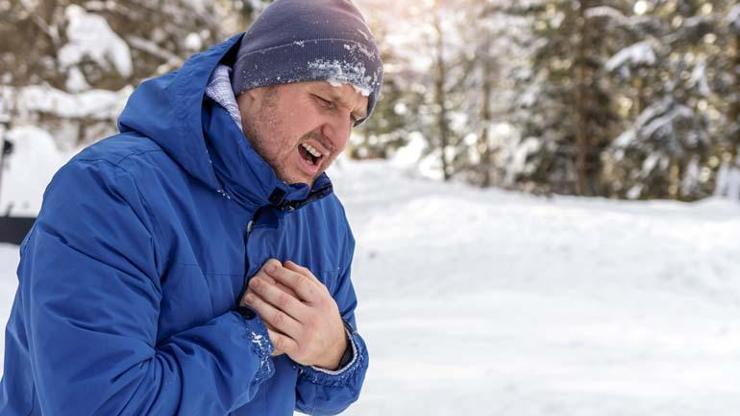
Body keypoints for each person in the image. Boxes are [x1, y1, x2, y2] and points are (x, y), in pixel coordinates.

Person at [0, 0, 382, 414]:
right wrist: (253, 337)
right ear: (258, 82)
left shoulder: (319, 216)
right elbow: (101, 405)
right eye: (326, 101)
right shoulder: (110, 191)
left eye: (354, 118)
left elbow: (326, 395)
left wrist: (335, 353)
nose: (339, 137)